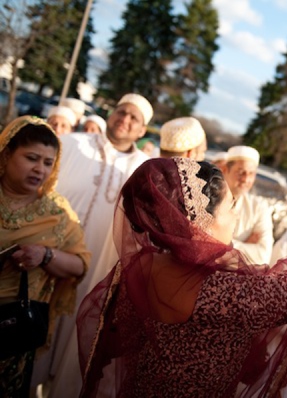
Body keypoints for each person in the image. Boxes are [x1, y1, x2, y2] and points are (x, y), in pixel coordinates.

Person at [77, 145, 287, 397]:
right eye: (230, 207)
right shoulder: (226, 293)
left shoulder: (141, 266)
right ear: (199, 221)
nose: (236, 218)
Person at [33, 93, 153, 397]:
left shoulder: (144, 171)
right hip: (45, 261)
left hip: (97, 276)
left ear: (142, 131)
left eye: (134, 118)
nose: (124, 119)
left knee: (74, 348)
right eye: (121, 111)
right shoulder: (72, 144)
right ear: (111, 113)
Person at [0, 116, 90, 396]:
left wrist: (46, 255)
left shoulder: (57, 212)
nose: (40, 169)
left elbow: (80, 264)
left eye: (48, 163)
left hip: (10, 333)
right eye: (31, 158)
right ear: (6, 154)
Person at [222, 145, 273, 264]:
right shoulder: (208, 198)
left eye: (251, 174)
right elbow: (200, 243)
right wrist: (244, 246)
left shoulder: (259, 207)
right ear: (225, 170)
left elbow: (262, 256)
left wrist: (224, 243)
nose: (246, 179)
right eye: (241, 172)